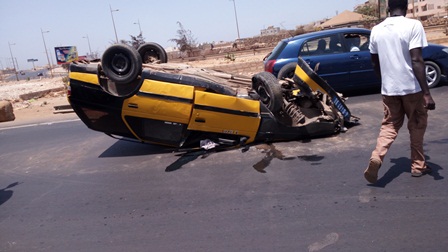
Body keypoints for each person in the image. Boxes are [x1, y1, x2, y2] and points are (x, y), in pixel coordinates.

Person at [364, 0, 436, 184]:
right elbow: (417, 60)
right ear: (407, 7)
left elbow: (374, 62)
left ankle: (377, 157)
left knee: (389, 126)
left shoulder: (376, 30)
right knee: (417, 125)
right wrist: (426, 93)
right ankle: (418, 166)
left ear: (388, 8)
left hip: (389, 90)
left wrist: (386, 81)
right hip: (412, 89)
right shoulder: (413, 25)